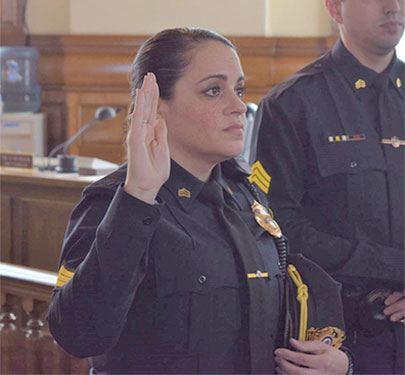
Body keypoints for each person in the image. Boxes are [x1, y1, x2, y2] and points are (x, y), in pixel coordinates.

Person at [47, 28, 351, 374]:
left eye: (238, 90)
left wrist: (336, 364)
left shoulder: (245, 194)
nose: (238, 107)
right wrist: (139, 196)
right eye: (212, 91)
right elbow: (78, 334)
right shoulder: (117, 200)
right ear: (156, 104)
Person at [254, 0, 405, 374]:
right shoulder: (292, 103)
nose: (394, 6)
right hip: (334, 331)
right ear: (335, 8)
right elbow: (276, 228)